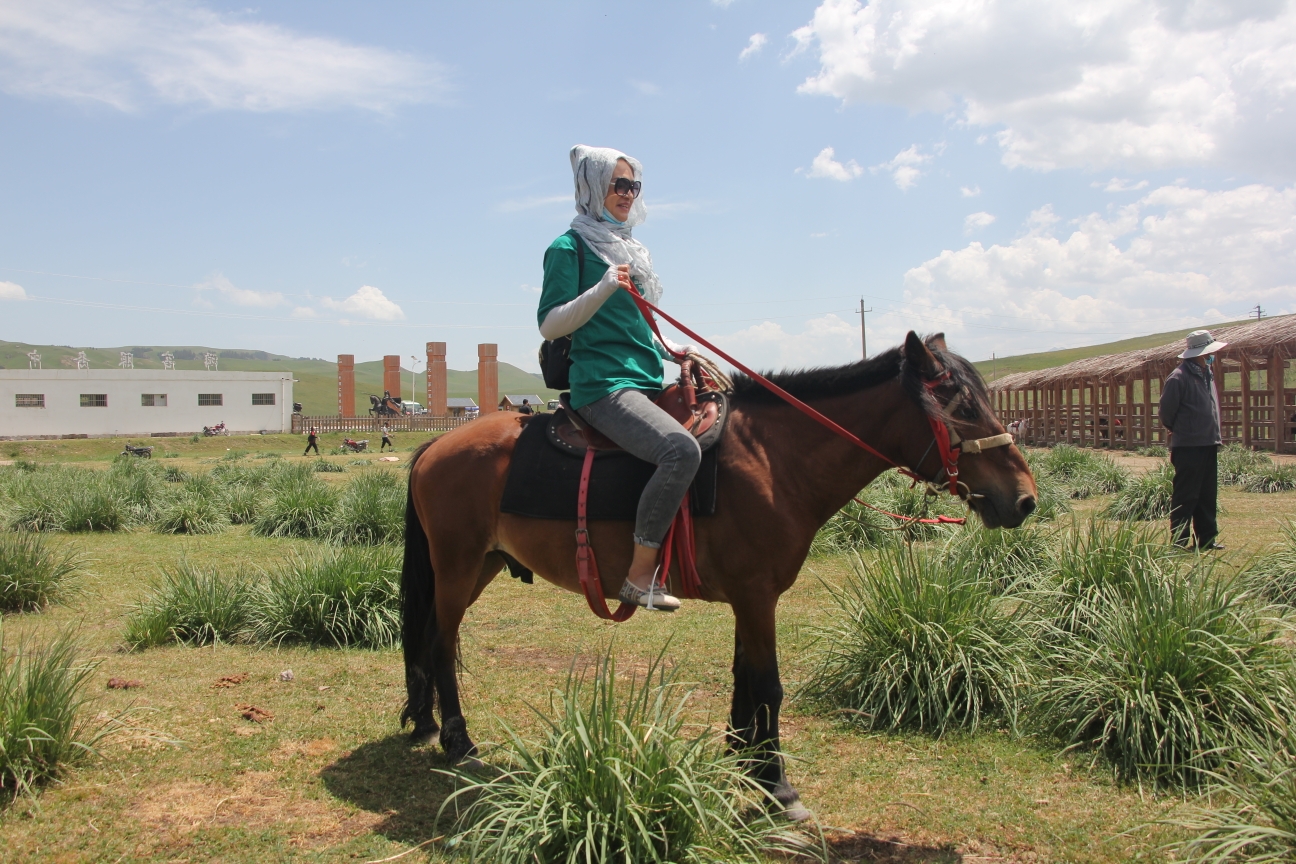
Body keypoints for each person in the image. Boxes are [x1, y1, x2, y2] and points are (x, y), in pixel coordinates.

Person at [538, 145, 700, 612]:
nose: (628, 194)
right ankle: (637, 576)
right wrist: (604, 285)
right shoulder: (567, 247)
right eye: (618, 184)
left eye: (634, 186)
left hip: (647, 374)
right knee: (678, 450)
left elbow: (638, 323)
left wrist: (674, 349)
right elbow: (550, 323)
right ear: (592, 187)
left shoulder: (631, 249)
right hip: (604, 385)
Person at [1159, 329, 1227, 550]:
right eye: (1209, 353)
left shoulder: (1206, 374)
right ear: (1199, 353)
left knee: (1207, 494)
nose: (1211, 357)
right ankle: (1179, 541)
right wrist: (1178, 429)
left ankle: (1207, 539)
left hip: (1208, 443)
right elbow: (1167, 412)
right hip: (1188, 446)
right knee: (1186, 495)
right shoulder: (1179, 377)